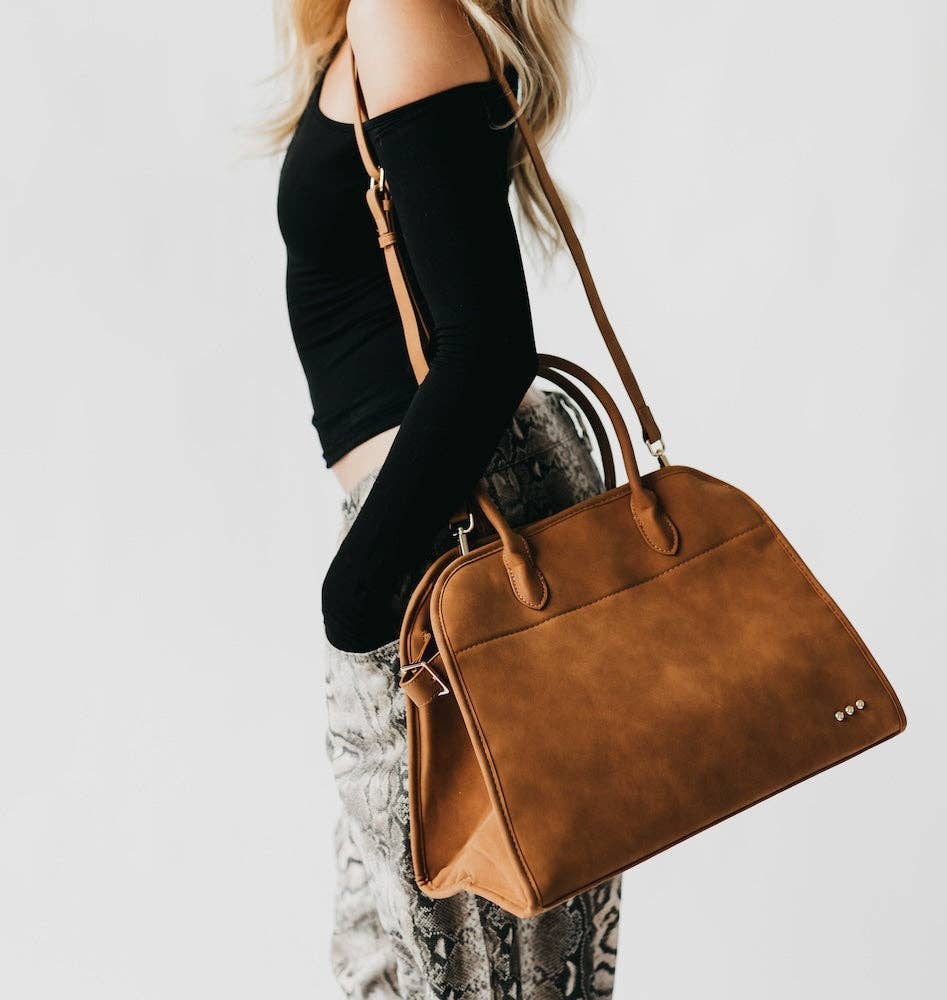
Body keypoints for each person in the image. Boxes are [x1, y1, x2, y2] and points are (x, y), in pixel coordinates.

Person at [275, 0, 623, 994]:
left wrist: (357, 595)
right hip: (428, 534)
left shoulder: (401, 12)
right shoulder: (368, 23)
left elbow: (484, 351)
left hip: (453, 541)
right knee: (412, 959)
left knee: (483, 966)